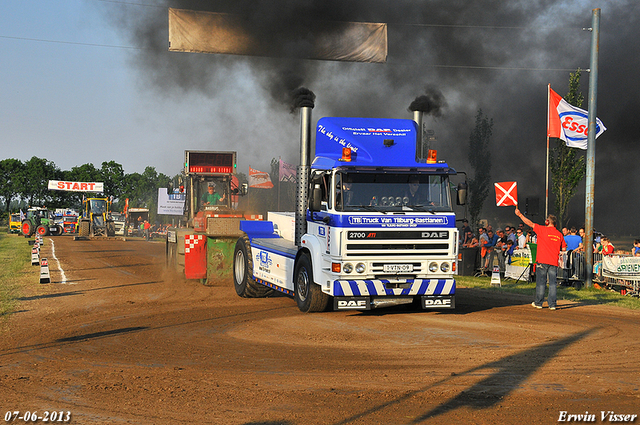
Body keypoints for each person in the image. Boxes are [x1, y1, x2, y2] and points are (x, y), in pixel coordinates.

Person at [515, 208, 566, 310]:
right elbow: (564, 248)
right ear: (555, 224)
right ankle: (552, 305)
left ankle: (539, 303)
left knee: (541, 283)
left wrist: (520, 215)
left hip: (542, 260)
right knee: (552, 284)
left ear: (547, 222)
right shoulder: (559, 234)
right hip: (553, 261)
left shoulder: (542, 229)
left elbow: (529, 223)